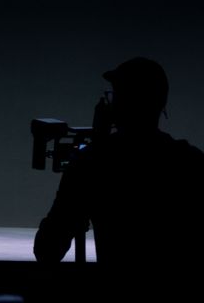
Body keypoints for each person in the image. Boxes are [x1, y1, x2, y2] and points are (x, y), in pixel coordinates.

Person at [34, 57, 204, 273]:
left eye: (116, 96)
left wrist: (94, 152)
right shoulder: (190, 160)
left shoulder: (93, 164)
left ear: (122, 103)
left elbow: (47, 250)